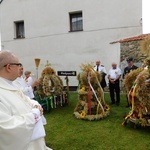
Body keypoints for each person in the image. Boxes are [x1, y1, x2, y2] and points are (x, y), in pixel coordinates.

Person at [0, 50, 52, 150]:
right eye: (18, 65)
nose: (20, 68)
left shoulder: (12, 84)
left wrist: (35, 105)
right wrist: (34, 115)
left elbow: (24, 99)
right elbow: (5, 127)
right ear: (9, 67)